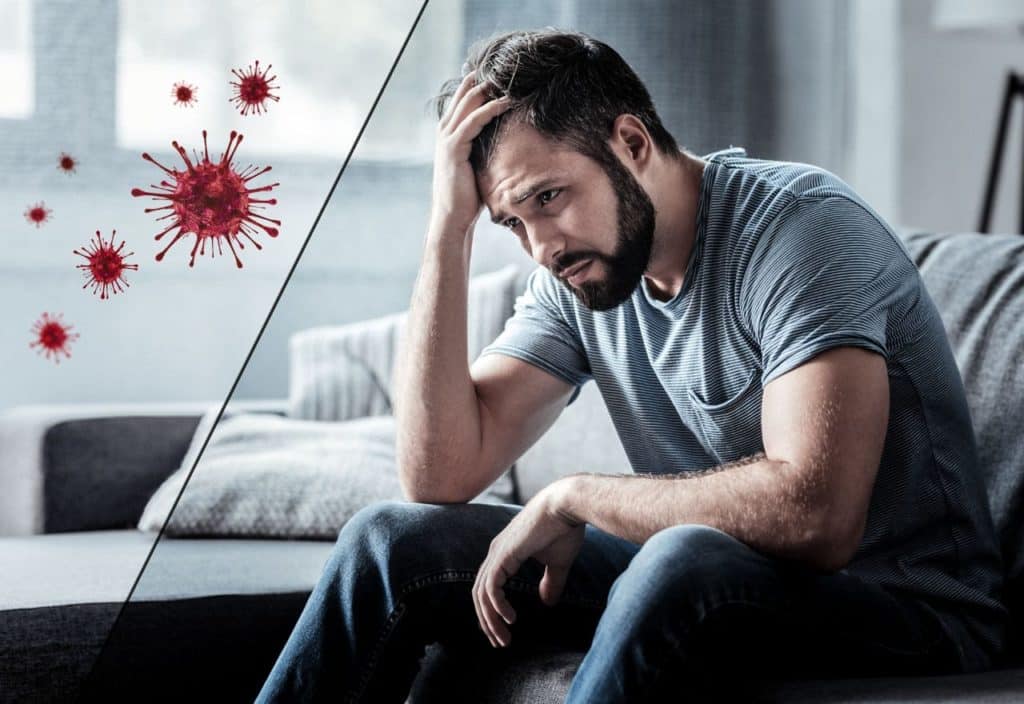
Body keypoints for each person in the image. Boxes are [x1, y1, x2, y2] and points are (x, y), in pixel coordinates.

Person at [256, 29, 1007, 703]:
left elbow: (817, 516)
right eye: (512, 222)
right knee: (389, 541)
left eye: (549, 198)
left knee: (680, 557)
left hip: (910, 607)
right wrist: (444, 229)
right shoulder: (576, 274)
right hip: (705, 579)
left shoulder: (803, 231)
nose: (540, 246)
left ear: (632, 142)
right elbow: (440, 472)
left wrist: (575, 497)